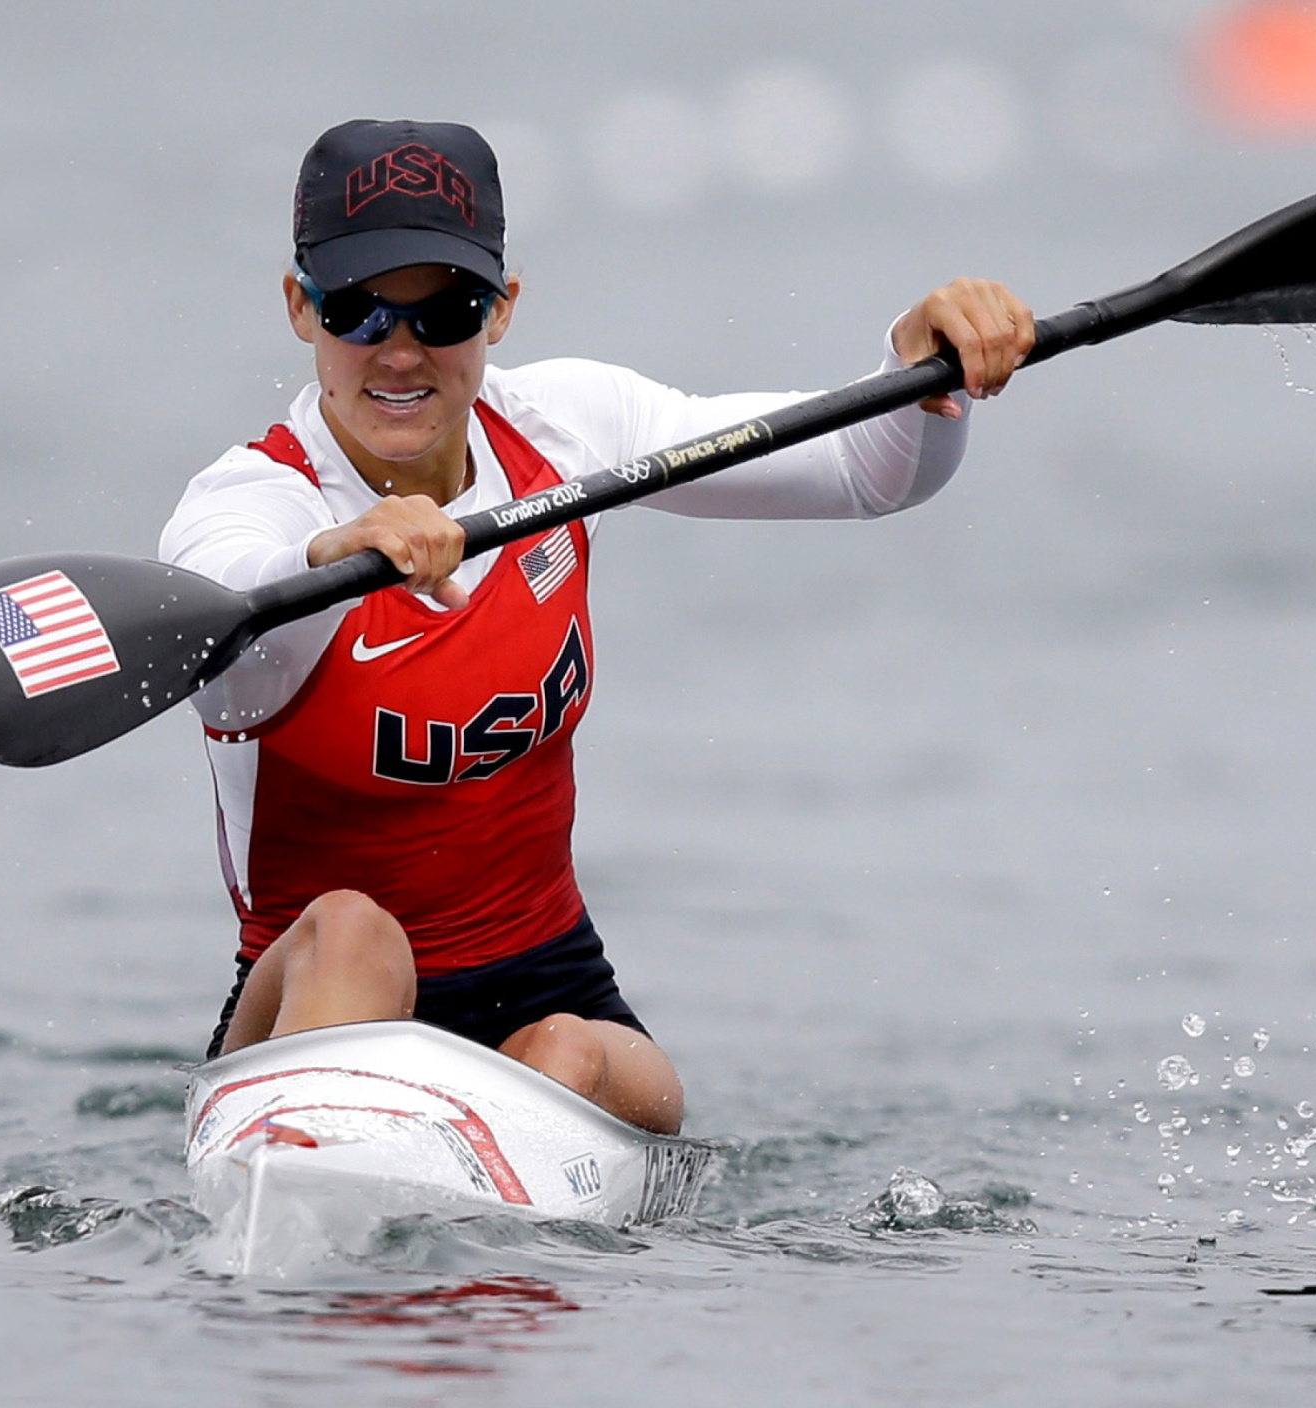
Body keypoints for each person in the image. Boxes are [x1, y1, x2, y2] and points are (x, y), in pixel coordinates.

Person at [158, 119, 1034, 1136]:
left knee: (581, 1054)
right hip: (319, 995)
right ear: (298, 308)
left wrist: (921, 361)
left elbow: (864, 471)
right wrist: (334, 556)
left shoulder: (567, 428)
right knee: (356, 930)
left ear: (505, 308)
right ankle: (331, 1173)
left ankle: (475, 1159)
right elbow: (217, 603)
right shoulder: (250, 505)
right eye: (358, 312)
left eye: (447, 311)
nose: (400, 354)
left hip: (546, 988)